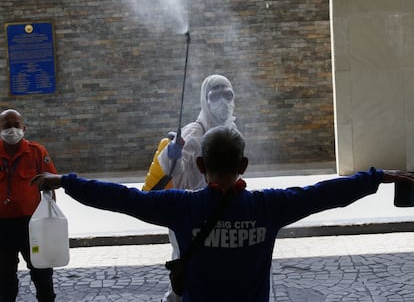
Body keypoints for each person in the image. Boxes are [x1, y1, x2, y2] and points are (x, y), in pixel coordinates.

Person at [31, 126, 414, 302]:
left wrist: (65, 180)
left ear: (199, 163)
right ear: (244, 164)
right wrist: (377, 177)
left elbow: (121, 198)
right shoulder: (269, 207)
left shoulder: (181, 206)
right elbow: (324, 194)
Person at [142, 74, 238, 301]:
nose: (223, 101)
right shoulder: (194, 134)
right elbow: (174, 172)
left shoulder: (232, 131)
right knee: (187, 268)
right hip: (190, 211)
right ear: (205, 100)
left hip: (219, 210)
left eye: (228, 95)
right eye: (215, 96)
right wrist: (171, 156)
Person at [0, 109, 57, 302]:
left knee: (41, 272)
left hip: (32, 225)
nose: (12, 130)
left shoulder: (36, 152)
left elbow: (51, 186)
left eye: (16, 126)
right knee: (4, 277)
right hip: (2, 226)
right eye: (7, 126)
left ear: (23, 128)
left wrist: (50, 223)